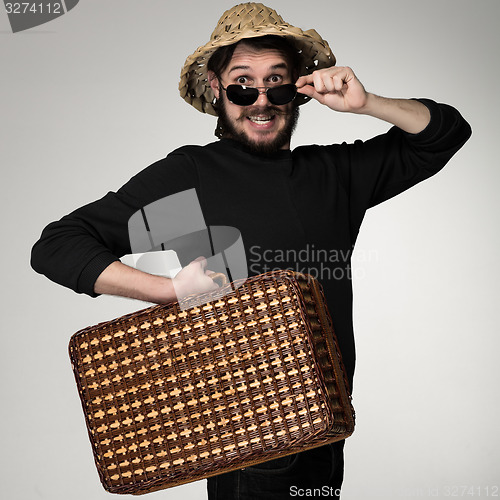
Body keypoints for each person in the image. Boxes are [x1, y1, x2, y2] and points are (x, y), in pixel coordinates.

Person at [31, 3, 471, 499]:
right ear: (217, 88)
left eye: (277, 82)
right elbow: (57, 246)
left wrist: (367, 103)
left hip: (325, 424)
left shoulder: (334, 176)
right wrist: (168, 290)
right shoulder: (189, 178)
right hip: (249, 441)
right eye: (243, 83)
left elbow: (444, 133)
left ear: (299, 90)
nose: (261, 100)